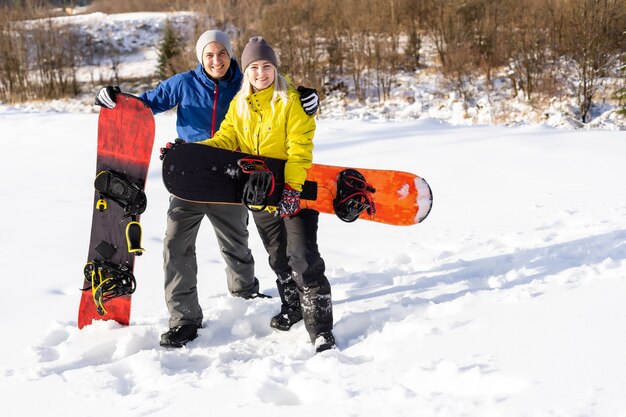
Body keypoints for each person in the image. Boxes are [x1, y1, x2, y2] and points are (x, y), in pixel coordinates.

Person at [94, 30, 320, 348]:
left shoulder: (246, 83)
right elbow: (145, 105)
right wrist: (116, 101)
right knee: (176, 245)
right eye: (209, 54)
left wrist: (310, 97)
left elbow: (274, 84)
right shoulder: (183, 83)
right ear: (201, 57)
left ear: (230, 56)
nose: (216, 60)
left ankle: (245, 293)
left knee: (236, 243)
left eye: (222, 54)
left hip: (232, 179)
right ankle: (184, 319)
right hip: (188, 176)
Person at [198, 36, 335, 353]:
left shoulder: (293, 102)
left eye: (267, 66)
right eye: (254, 67)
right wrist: (193, 153)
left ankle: (321, 330)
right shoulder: (239, 104)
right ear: (246, 71)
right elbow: (225, 139)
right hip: (259, 192)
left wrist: (292, 189)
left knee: (303, 258)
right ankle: (293, 308)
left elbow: (299, 152)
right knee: (278, 257)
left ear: (275, 68)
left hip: (296, 192)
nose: (261, 73)